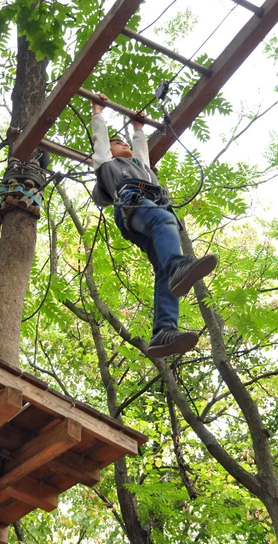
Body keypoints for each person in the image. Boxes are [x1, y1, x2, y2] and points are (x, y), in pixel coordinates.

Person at [91, 93, 217, 358]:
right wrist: (98, 111)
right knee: (164, 221)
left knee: (162, 266)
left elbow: (141, 153)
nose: (122, 144)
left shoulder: (143, 168)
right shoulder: (107, 165)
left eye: (123, 141)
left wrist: (138, 130)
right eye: (117, 143)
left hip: (148, 207)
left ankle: (164, 330)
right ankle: (178, 267)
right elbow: (100, 144)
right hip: (132, 204)